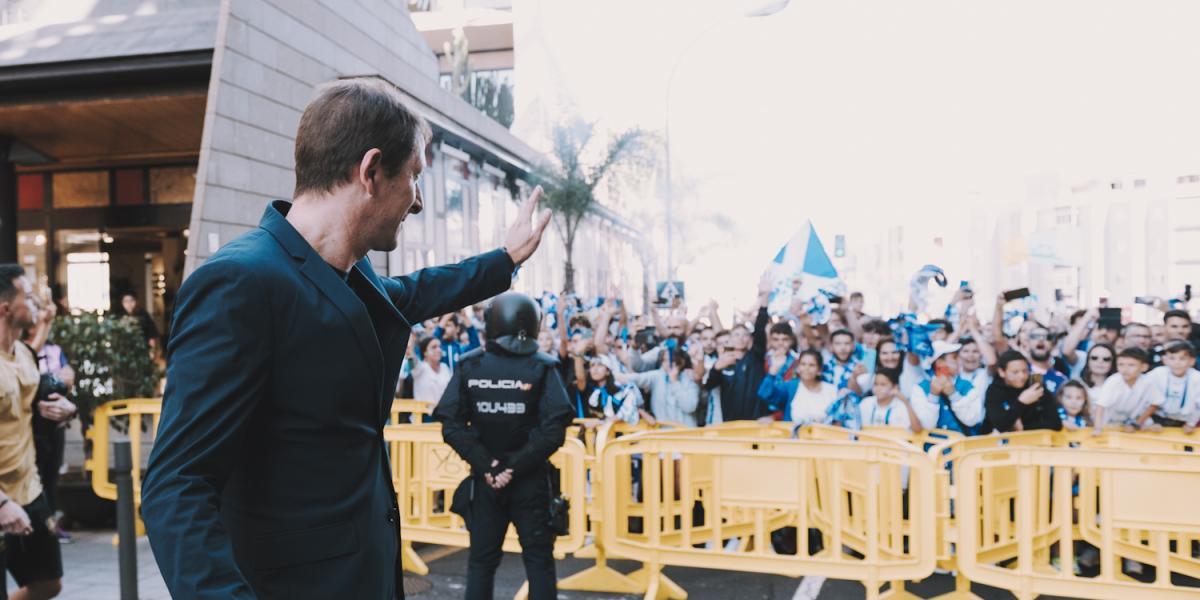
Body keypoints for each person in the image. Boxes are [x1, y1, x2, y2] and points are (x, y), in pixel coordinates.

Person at [141, 79, 552, 600]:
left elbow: (417, 292)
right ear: (371, 171)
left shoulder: (351, 277)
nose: (418, 201)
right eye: (414, 176)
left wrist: (505, 260)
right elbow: (176, 485)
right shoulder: (239, 282)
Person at [434, 292, 572, 600]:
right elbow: (554, 430)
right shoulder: (543, 366)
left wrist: (490, 466)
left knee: (481, 563)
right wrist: (512, 466)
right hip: (529, 480)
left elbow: (451, 425)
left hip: (487, 481)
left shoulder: (471, 365)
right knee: (539, 562)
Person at [1, 264, 71, 600]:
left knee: (47, 583)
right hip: (2, 499)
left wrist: (65, 409)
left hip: (28, 491)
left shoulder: (23, 354)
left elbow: (33, 402)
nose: (36, 303)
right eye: (28, 297)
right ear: (5, 308)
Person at [704, 272, 774, 422]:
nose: (740, 338)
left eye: (744, 335)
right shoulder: (723, 362)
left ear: (750, 339)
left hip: (755, 424)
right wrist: (716, 369)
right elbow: (708, 385)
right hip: (731, 426)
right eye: (736, 335)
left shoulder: (755, 357)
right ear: (729, 339)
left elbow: (760, 328)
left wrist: (764, 299)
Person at [909, 341, 985, 434]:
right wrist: (933, 396)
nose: (960, 361)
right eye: (954, 357)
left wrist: (954, 395)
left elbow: (972, 420)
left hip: (962, 442)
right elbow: (926, 426)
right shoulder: (920, 388)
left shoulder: (968, 386)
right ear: (940, 363)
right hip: (933, 443)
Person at [615, 348, 700, 427]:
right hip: (661, 433)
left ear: (681, 362)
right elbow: (639, 378)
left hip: (686, 434)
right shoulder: (657, 376)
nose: (668, 364)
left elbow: (689, 407)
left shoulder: (690, 378)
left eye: (672, 360)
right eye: (664, 360)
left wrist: (675, 382)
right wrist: (621, 377)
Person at [984, 350, 1063, 433]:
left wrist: (1024, 428)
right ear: (1001, 372)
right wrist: (1021, 402)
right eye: (1015, 372)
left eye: (1025, 371)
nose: (1022, 376)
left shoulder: (1035, 386)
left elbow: (1056, 424)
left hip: (1034, 439)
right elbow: (1001, 426)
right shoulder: (993, 391)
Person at [1134, 340, 1200, 432]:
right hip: (1156, 419)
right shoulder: (1157, 373)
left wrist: (1191, 424)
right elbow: (1142, 397)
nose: (1177, 362)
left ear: (1192, 361)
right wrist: (1149, 422)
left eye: (1182, 359)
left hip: (1183, 422)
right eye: (1172, 358)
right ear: (1164, 360)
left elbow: (1198, 406)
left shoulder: (1197, 378)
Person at [757, 349, 835, 424]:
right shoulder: (791, 387)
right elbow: (765, 394)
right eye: (803, 364)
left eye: (811, 365)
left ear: (819, 370)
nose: (806, 368)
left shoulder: (831, 390)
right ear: (798, 368)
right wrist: (774, 369)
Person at [1092, 347, 1152, 435]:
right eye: (1121, 364)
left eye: (1131, 365)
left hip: (1132, 423)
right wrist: (1097, 428)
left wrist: (1137, 424)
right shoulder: (1113, 381)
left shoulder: (1148, 382)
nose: (1125, 369)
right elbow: (1100, 406)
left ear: (1144, 367)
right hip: (1108, 424)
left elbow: (1154, 404)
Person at [859, 369, 923, 434]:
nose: (878, 388)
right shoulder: (865, 403)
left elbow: (917, 429)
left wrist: (906, 402)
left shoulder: (901, 407)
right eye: (875, 384)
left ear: (895, 387)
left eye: (883, 384)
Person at [412, 337, 452, 404]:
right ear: (425, 352)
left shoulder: (444, 367)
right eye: (434, 347)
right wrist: (409, 352)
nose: (439, 350)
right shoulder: (419, 368)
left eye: (439, 347)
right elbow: (411, 362)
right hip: (423, 410)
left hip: (444, 410)